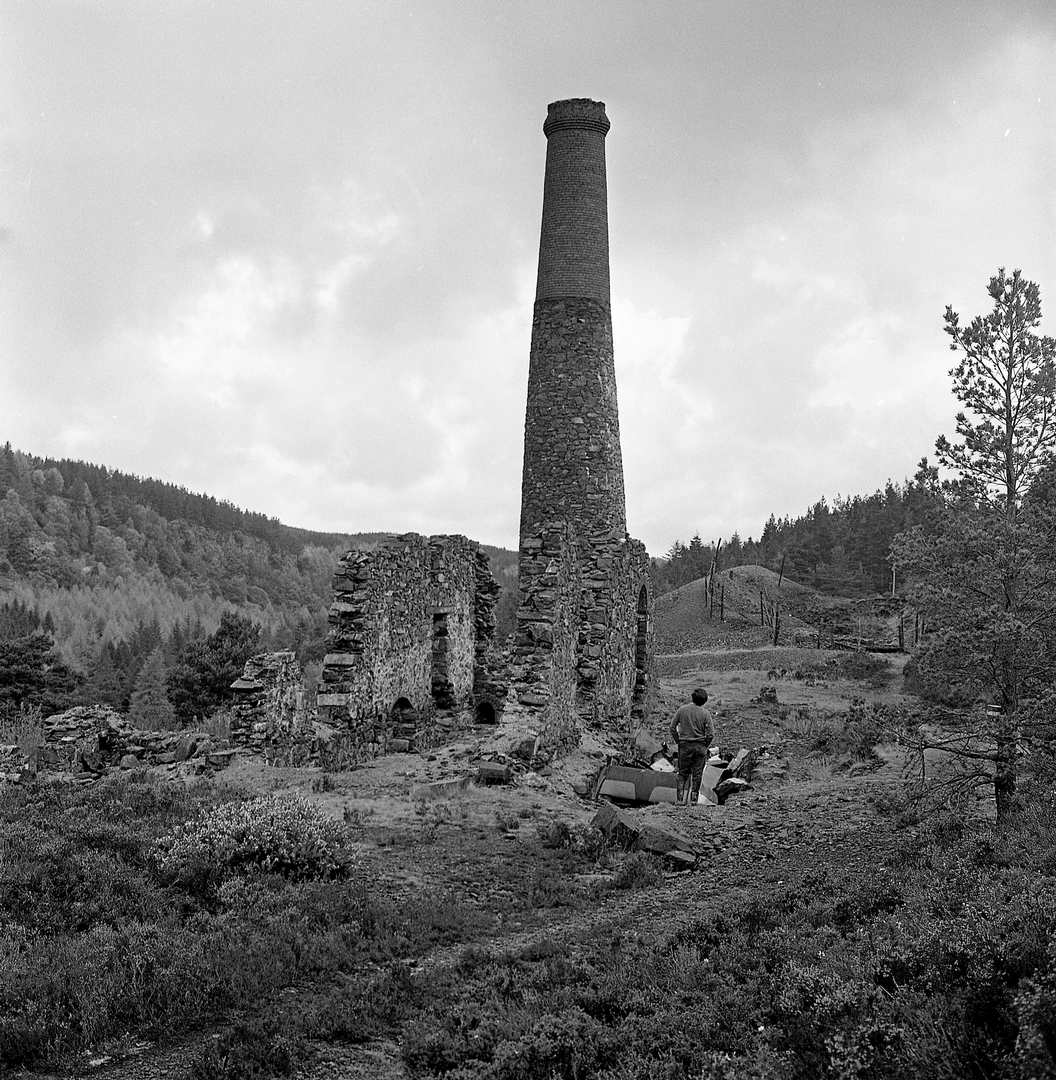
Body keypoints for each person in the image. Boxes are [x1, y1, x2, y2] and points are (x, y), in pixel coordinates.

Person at [668, 688, 715, 805]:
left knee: (682, 773)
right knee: (697, 774)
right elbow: (711, 734)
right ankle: (693, 800)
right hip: (700, 747)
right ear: (704, 701)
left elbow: (672, 728)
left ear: (692, 698)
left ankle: (679, 800)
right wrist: (705, 745)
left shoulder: (682, 710)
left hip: (684, 746)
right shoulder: (705, 714)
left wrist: (678, 741)